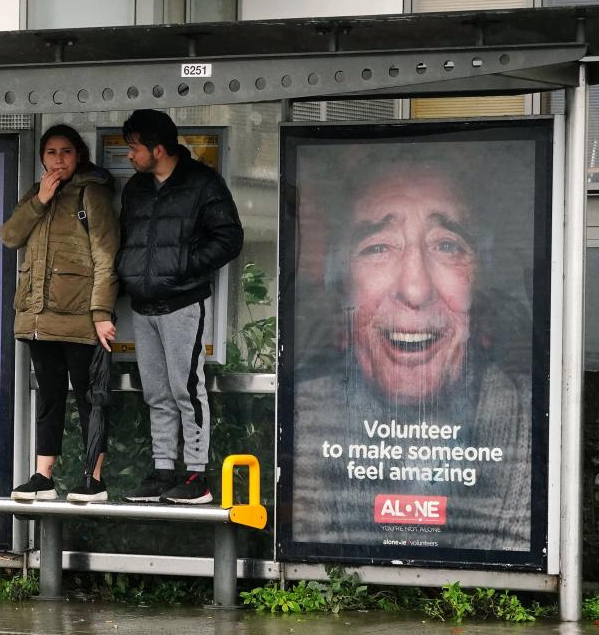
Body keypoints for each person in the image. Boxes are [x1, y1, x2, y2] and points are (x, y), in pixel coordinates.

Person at [292, 153, 532, 552]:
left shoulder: (533, 423)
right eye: (378, 247)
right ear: (342, 283)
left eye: (446, 245)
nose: (416, 289)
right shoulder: (300, 416)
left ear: (479, 280)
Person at [117, 109, 243, 504]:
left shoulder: (202, 183)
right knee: (156, 393)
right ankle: (162, 471)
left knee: (186, 388)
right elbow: (125, 238)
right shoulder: (135, 189)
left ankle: (196, 476)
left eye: (134, 148)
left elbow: (229, 238)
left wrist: (182, 266)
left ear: (158, 148)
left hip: (183, 303)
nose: (129, 156)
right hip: (143, 305)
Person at [0, 124, 119, 503]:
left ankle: (95, 479)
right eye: (51, 152)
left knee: (89, 397)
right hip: (39, 317)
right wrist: (41, 199)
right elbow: (9, 236)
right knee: (49, 396)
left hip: (81, 317)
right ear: (41, 158)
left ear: (78, 155)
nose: (58, 160)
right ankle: (43, 475)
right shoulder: (37, 194)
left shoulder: (91, 193)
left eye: (65, 152)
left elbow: (106, 254)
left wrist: (101, 311)